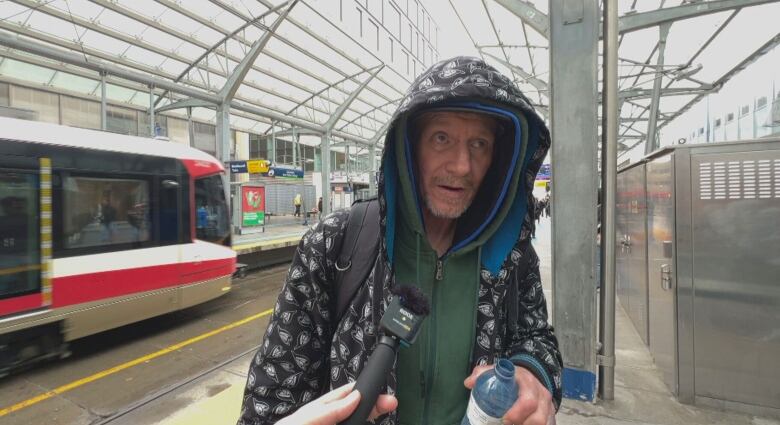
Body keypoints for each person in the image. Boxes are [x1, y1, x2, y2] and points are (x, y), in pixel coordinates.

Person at [238, 57, 562, 425]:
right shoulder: (336, 244)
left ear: (498, 159)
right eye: (442, 139)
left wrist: (533, 371)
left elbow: (536, 336)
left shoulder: (512, 256)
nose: (462, 165)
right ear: (409, 148)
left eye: (479, 144)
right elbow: (272, 393)